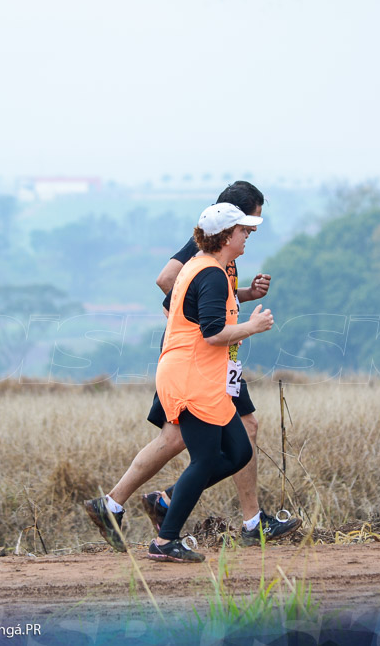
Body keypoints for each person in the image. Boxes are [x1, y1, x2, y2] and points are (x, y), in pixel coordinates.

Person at [84, 183, 301, 553]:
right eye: (248, 225)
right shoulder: (207, 250)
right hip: (196, 360)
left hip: (207, 358)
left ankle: (125, 504)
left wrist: (242, 295)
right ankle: (198, 523)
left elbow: (211, 302)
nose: (251, 232)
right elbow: (171, 286)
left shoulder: (218, 261)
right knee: (198, 442)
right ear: (229, 223)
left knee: (214, 437)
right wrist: (205, 323)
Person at [148, 202, 273, 561]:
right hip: (191, 378)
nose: (247, 236)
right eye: (243, 231)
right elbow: (213, 333)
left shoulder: (202, 267)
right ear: (225, 236)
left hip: (200, 376)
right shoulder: (212, 274)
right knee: (204, 460)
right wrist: (253, 326)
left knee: (237, 452)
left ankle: (167, 500)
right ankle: (165, 541)